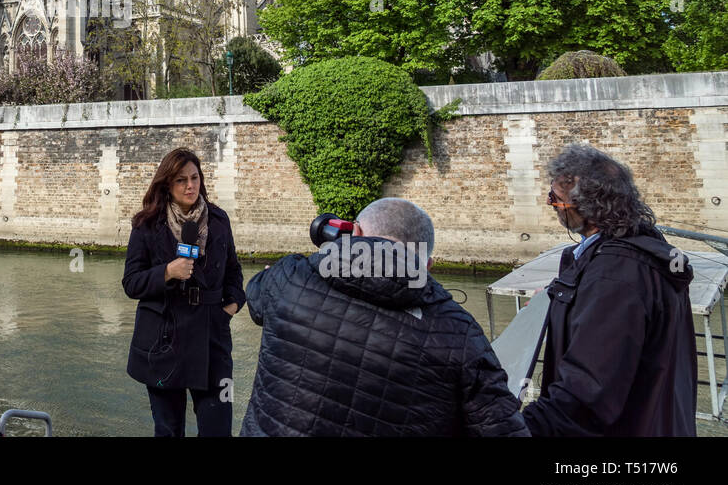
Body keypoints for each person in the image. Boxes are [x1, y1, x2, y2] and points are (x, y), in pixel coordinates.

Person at [241, 198, 528, 436]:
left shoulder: (289, 277)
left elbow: (255, 297)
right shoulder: (461, 333)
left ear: (355, 232)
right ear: (427, 264)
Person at [523, 144, 697, 436]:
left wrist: (517, 428)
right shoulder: (645, 248)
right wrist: (557, 301)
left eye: (555, 199)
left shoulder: (615, 276)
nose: (550, 204)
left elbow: (587, 392)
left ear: (585, 210)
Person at [122, 147, 246, 437]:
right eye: (181, 180)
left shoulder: (218, 220)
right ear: (167, 184)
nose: (190, 186)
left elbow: (233, 272)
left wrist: (231, 307)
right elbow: (131, 282)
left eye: (194, 178)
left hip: (211, 338)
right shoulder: (147, 225)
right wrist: (167, 272)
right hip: (164, 339)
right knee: (168, 430)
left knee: (218, 429)